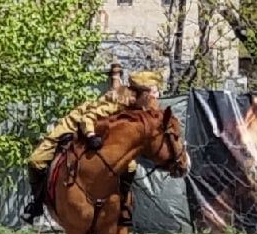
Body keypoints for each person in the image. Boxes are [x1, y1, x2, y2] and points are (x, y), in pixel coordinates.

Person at [22, 66, 164, 223]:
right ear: (144, 94)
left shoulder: (141, 107)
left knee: (130, 166)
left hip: (101, 134)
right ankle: (36, 203)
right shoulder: (118, 103)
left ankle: (123, 205)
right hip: (76, 126)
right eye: (155, 92)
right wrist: (90, 136)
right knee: (36, 160)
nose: (158, 95)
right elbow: (87, 119)